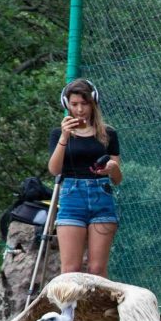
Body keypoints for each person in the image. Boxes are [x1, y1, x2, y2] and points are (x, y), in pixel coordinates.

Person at [47, 78, 122, 278]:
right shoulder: (58, 134)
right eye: (74, 104)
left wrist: (112, 167)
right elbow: (54, 170)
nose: (80, 109)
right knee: (71, 269)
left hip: (101, 195)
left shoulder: (108, 134)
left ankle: (98, 310)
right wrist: (64, 137)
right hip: (72, 196)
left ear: (93, 102)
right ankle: (69, 310)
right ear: (67, 105)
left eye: (84, 103)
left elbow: (117, 178)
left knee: (97, 269)